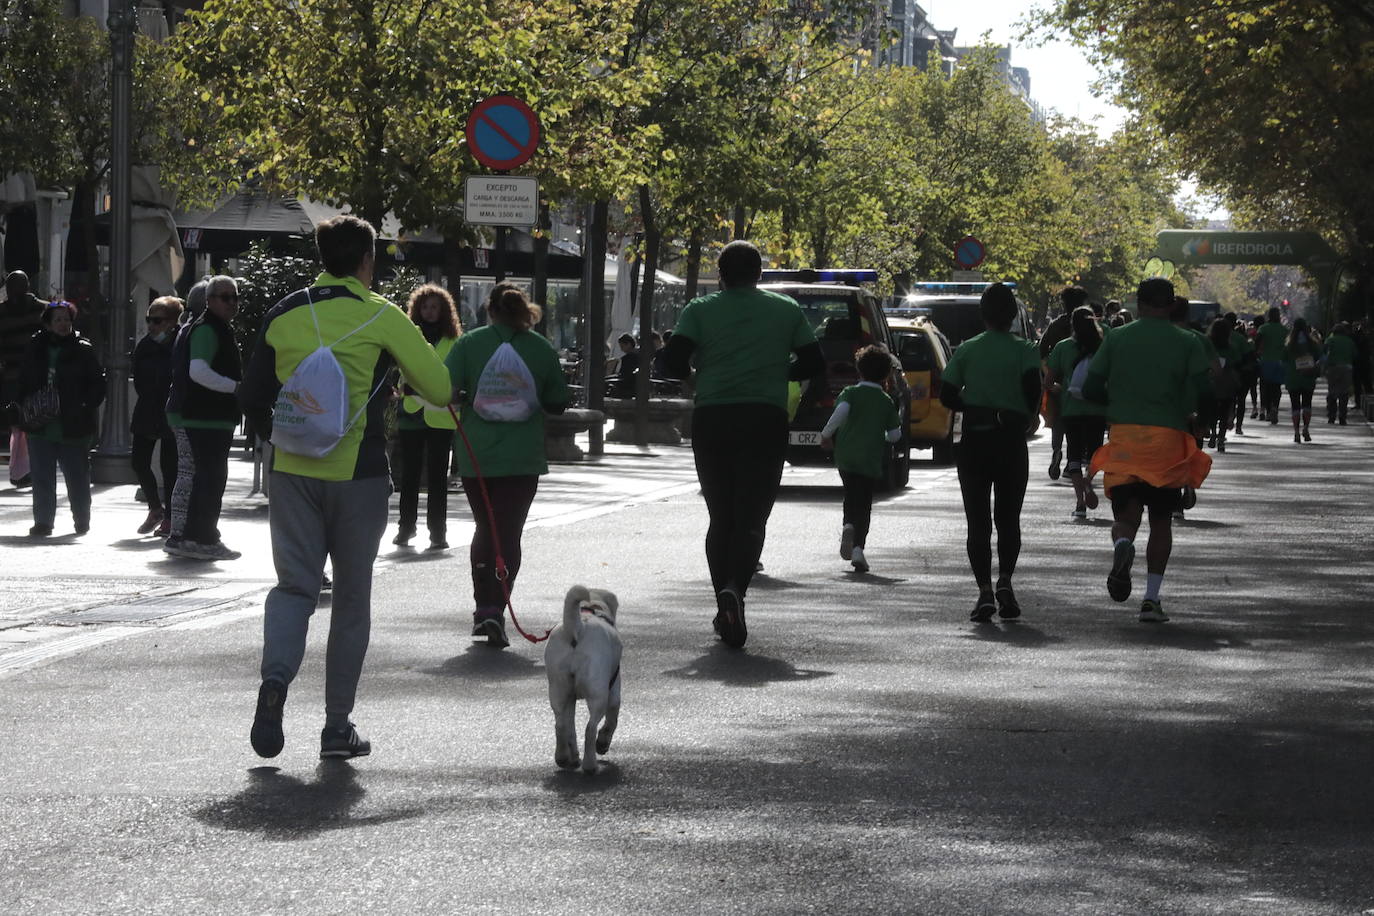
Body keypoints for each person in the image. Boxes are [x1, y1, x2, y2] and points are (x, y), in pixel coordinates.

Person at [240, 214, 453, 760]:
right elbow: (439, 385)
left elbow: (254, 393)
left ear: (321, 256)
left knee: (294, 588)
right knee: (352, 598)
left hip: (291, 473)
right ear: (366, 260)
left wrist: (287, 438)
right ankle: (337, 727)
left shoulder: (284, 313)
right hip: (358, 474)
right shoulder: (382, 315)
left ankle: (275, 684)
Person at [663, 240, 823, 648]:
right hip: (764, 418)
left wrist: (697, 373)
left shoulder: (699, 310)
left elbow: (671, 362)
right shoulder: (785, 310)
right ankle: (737, 590)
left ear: (720, 274)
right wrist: (779, 369)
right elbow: (813, 363)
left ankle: (722, 600)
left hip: (714, 417)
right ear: (760, 274)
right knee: (752, 517)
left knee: (721, 516)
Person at [444, 283, 570, 648]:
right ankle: (497, 607)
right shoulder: (540, 348)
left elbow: (447, 391)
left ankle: (484, 608)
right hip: (522, 456)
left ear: (489, 310)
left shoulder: (469, 344)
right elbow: (558, 400)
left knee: (485, 528)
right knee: (509, 531)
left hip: (477, 455)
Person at [1084, 277, 1212, 624]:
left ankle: (1121, 546)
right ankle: (1151, 600)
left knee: (1126, 518)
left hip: (1126, 441)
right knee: (1160, 521)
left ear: (1138, 304)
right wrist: (1204, 422)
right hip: (1168, 444)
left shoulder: (1117, 338)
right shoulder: (1187, 341)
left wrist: (1113, 403)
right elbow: (1207, 388)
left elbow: (1092, 386)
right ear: (1171, 306)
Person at [939, 283, 1041, 622]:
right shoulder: (1026, 350)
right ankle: (1006, 583)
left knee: (978, 522)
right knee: (1008, 520)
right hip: (1010, 444)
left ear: (982, 314)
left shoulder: (967, 350)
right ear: (1013, 316)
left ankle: (983, 590)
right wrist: (1025, 416)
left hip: (974, 444)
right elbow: (1032, 394)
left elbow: (948, 394)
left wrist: (975, 405)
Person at [164, 275, 243, 561]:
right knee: (208, 479)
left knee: (201, 478)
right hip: (204, 417)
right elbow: (199, 371)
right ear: (209, 300)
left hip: (207, 417)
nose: (232, 303)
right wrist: (236, 387)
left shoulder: (214, 328)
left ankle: (192, 536)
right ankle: (199, 537)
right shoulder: (208, 330)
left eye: (235, 297)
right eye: (225, 297)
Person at [16, 301, 106, 536]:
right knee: (42, 476)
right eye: (58, 320)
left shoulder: (83, 349)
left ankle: (81, 520)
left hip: (73, 424)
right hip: (40, 423)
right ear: (48, 323)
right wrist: (19, 408)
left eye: (66, 319)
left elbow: (97, 384)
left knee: (77, 477)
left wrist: (84, 404)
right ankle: (43, 522)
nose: (63, 324)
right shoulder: (35, 346)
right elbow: (23, 380)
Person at [819, 345, 902, 574]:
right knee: (864, 501)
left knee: (850, 493)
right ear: (886, 374)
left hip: (846, 454)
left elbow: (840, 414)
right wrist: (882, 434)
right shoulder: (885, 401)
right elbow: (895, 435)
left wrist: (826, 435)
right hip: (870, 457)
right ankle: (858, 548)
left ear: (859, 370)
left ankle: (847, 524)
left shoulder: (850, 393)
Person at [393, 284, 461, 550]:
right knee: (409, 475)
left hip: (440, 416)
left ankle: (437, 533)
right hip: (412, 411)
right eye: (425, 307)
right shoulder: (410, 336)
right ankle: (405, 528)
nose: (429, 312)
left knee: (437, 477)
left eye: (435, 307)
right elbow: (401, 371)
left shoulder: (455, 341)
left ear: (444, 311)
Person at [1044, 306, 1107, 518]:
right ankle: (1089, 481)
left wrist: (1063, 390)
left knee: (1073, 454)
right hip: (1097, 409)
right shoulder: (1102, 346)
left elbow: (1048, 381)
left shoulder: (1063, 347)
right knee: (1095, 454)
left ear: (1072, 324)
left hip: (1071, 410)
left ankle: (1080, 502)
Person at [130, 296, 184, 536]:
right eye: (149, 319)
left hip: (171, 411)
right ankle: (155, 508)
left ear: (172, 321)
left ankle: (171, 517)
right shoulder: (145, 345)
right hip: (147, 410)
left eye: (157, 320)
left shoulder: (181, 343)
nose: (151, 325)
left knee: (170, 467)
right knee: (138, 462)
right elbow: (139, 377)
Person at [1037, 285, 1087, 480]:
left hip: (1058, 383)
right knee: (1078, 423)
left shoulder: (1056, 325)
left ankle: (1057, 449)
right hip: (1082, 385)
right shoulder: (1088, 327)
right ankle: (1071, 462)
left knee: (1058, 421)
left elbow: (1041, 350)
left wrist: (1048, 374)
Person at [2, 270, 46, 487]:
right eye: (11, 289)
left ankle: (25, 469)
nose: (14, 293)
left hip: (37, 376)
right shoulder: (2, 312)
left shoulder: (43, 310)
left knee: (31, 423)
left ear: (28, 287)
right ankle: (21, 470)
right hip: (12, 376)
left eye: (18, 288)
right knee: (18, 424)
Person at [1207, 316, 1244, 452]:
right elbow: (1237, 362)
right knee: (1224, 410)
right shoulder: (1231, 348)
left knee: (1212, 410)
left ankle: (1213, 432)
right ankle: (1221, 438)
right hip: (1227, 381)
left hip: (1211, 380)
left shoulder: (1208, 345)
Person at [1283, 317, 1322, 443]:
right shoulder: (1312, 343)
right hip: (1308, 377)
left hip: (1293, 378)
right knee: (1307, 404)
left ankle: (1296, 432)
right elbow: (1320, 356)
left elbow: (1283, 359)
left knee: (1295, 406)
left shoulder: (1289, 344)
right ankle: (1305, 428)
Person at [1254, 307, 1288, 424]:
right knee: (1276, 387)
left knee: (1264, 386)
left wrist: (1256, 352)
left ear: (1269, 316)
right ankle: (1274, 407)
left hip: (1265, 360)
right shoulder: (1284, 330)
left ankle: (1265, 409)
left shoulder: (1263, 328)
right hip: (1279, 361)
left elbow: (1257, 342)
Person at [1323, 321, 1356, 425]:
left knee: (1332, 391)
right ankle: (1342, 417)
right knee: (1344, 393)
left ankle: (1331, 416)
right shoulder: (1349, 341)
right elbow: (1355, 355)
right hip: (1346, 368)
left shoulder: (1330, 340)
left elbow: (1324, 351)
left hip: (1333, 368)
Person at [613, 332, 639, 397]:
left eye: (622, 346)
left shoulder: (626, 359)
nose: (621, 349)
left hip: (627, 386)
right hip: (636, 386)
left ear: (629, 344)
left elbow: (624, 374)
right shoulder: (640, 355)